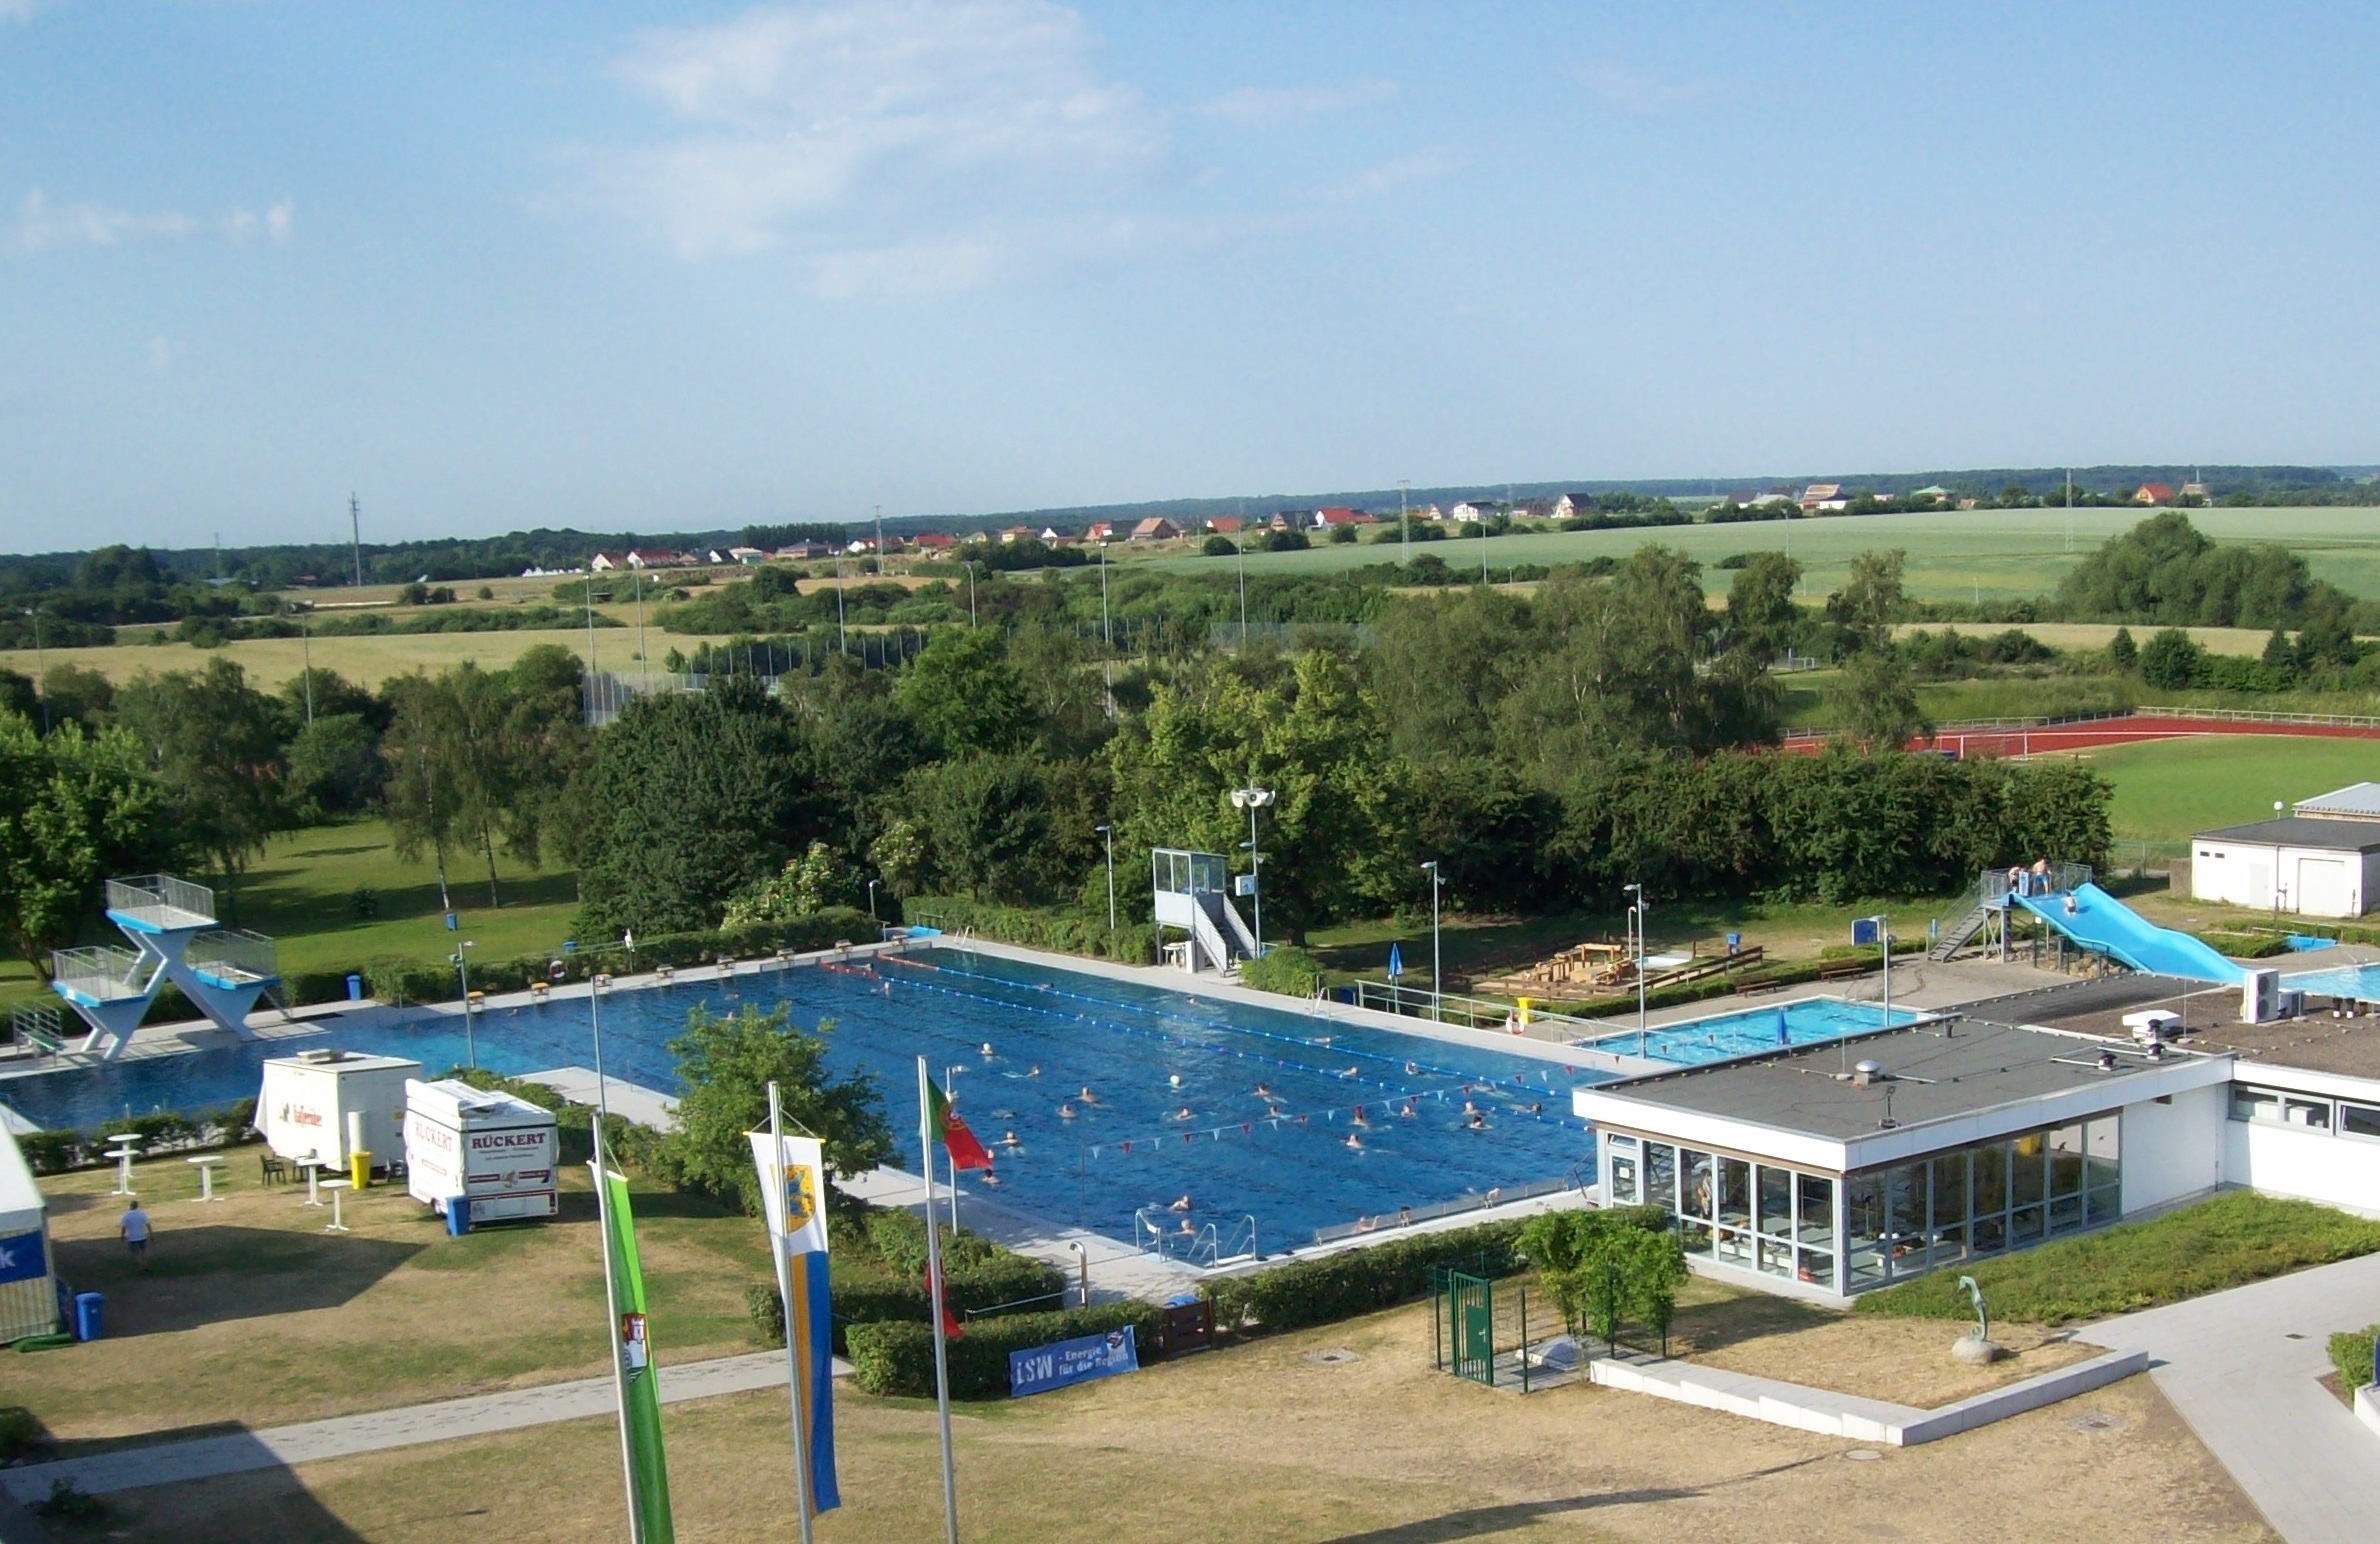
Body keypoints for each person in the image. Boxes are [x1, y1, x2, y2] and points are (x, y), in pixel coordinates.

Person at [120, 1199, 151, 1271]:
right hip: (142, 1236)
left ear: (130, 1206)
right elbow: (148, 1225)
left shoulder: (126, 1215)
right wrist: (151, 1235)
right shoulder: (141, 1214)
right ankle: (144, 1264)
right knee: (143, 1251)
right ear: (137, 1206)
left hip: (132, 1237)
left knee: (135, 1252)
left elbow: (124, 1227)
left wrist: (122, 1236)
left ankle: (141, 1265)